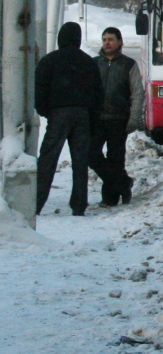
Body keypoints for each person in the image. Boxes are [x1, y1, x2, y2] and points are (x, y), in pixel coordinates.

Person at [34, 21, 104, 216]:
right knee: (80, 161)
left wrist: (46, 111)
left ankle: (37, 203)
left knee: (48, 159)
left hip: (58, 113)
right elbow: (98, 94)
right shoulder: (89, 62)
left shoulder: (49, 60)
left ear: (60, 38)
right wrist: (92, 117)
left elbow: (39, 90)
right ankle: (79, 205)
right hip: (83, 114)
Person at [88, 26, 144, 206]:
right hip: (96, 119)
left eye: (111, 39)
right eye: (104, 39)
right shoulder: (94, 63)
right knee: (91, 154)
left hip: (119, 119)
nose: (107, 43)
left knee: (116, 159)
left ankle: (110, 198)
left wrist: (134, 118)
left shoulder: (129, 64)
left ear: (120, 42)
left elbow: (137, 93)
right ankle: (123, 182)